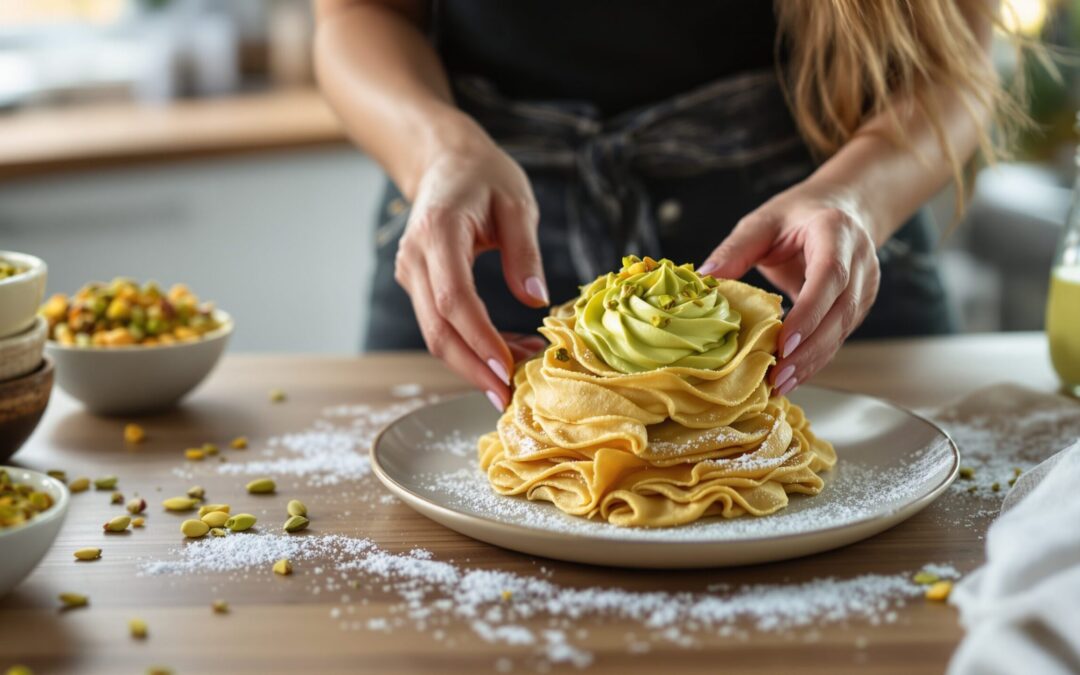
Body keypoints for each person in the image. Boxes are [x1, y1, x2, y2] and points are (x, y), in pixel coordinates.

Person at [314, 0, 1019, 410]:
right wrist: (437, 152)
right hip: (478, 230)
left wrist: (857, 197)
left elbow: (957, 63)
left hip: (816, 257)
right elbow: (355, 14)